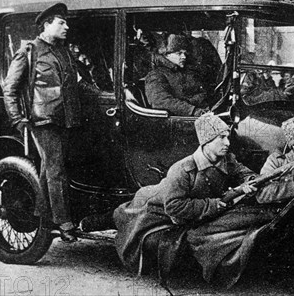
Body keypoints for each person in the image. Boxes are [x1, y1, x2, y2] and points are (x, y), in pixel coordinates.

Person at [114, 113, 276, 287]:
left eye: (227, 137)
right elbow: (175, 207)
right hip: (153, 205)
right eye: (221, 138)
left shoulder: (228, 160)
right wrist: (214, 204)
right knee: (124, 216)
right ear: (206, 141)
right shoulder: (183, 169)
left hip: (186, 208)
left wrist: (250, 183)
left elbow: (245, 174)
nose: (227, 143)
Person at [3, 2, 82, 243]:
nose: (66, 26)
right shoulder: (30, 50)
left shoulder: (63, 51)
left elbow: (74, 84)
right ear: (47, 24)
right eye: (61, 22)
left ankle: (43, 216)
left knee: (51, 168)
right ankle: (63, 222)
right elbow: (10, 88)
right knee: (55, 168)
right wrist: (17, 119)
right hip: (42, 120)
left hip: (65, 119)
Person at [144, 34, 210, 116]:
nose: (184, 57)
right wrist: (193, 111)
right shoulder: (156, 75)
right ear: (166, 55)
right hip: (178, 120)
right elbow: (161, 101)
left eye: (185, 53)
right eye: (179, 53)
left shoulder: (187, 72)